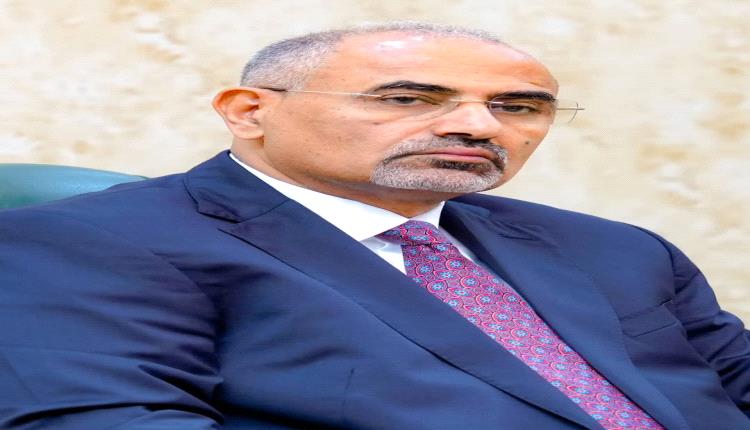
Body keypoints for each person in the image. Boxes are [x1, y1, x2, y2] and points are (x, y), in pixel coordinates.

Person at [0, 22, 748, 430]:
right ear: (249, 112)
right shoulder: (88, 244)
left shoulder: (614, 247)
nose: (478, 126)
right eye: (407, 98)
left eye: (518, 107)